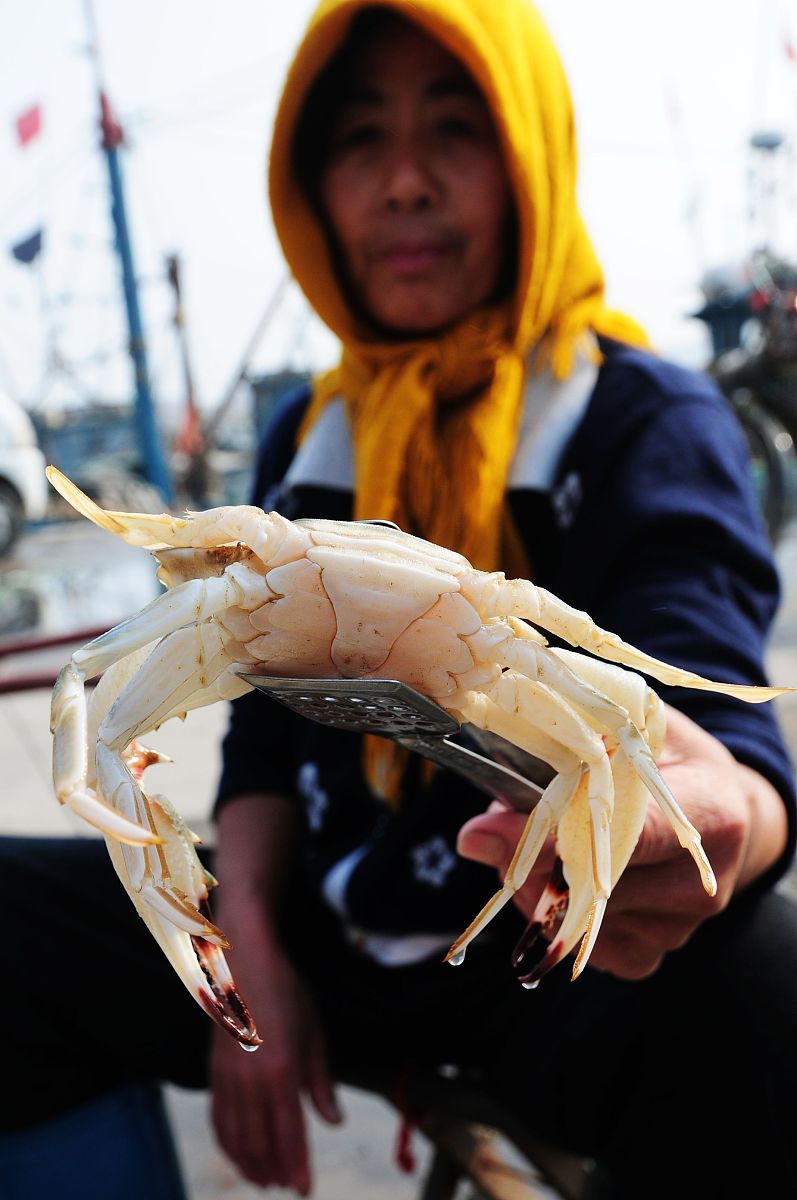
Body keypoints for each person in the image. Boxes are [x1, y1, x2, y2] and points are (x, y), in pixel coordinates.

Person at [2, 2, 797, 1199]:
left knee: (762, 977)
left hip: (554, 963)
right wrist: (245, 949)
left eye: (457, 127)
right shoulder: (305, 434)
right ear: (310, 187)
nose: (407, 181)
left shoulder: (642, 419)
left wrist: (721, 822)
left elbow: (713, 733)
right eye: (361, 136)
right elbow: (260, 743)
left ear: (533, 153)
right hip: (318, 937)